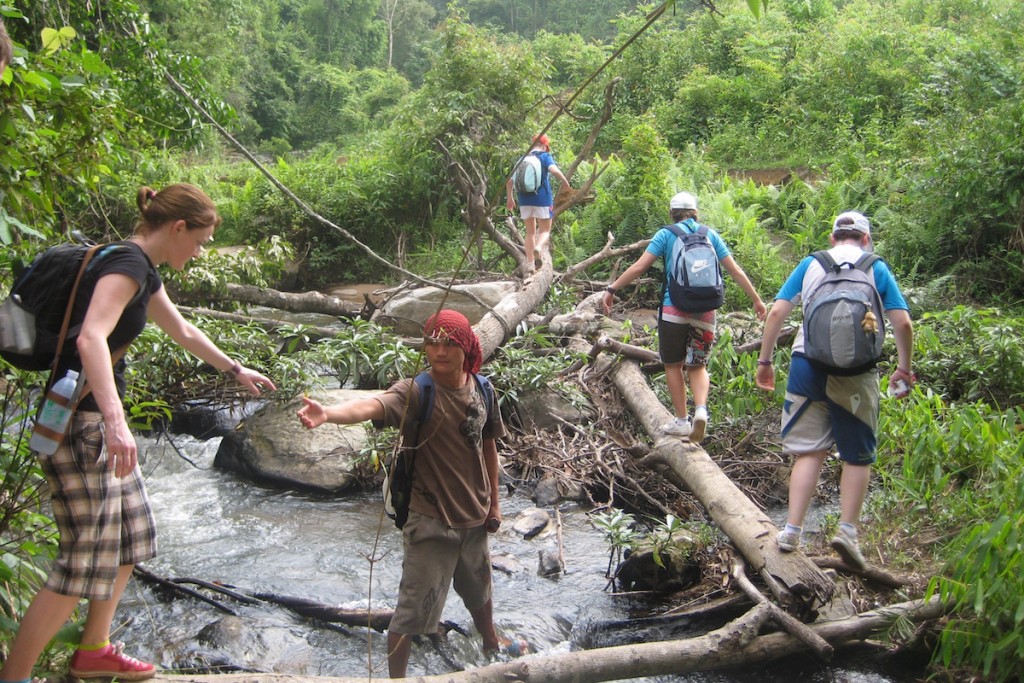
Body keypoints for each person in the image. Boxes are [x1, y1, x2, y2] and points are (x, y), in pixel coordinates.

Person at [0, 184, 277, 683]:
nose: (200, 252)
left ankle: (93, 651)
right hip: (81, 428)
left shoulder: (139, 270)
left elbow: (185, 332)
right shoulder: (127, 265)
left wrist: (235, 369)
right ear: (177, 229)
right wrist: (115, 421)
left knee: (133, 534)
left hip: (90, 423)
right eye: (201, 241)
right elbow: (90, 337)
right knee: (78, 562)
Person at [296, 310, 508, 678]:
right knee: (410, 613)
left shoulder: (483, 389)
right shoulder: (415, 392)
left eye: (449, 343)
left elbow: (489, 447)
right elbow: (372, 405)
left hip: (475, 518)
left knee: (480, 590)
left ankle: (491, 642)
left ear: (466, 346)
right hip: (431, 521)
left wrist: (495, 504)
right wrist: (328, 413)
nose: (439, 351)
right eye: (432, 342)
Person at [755, 211, 914, 570]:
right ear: (866, 239)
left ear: (833, 238)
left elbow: (778, 311)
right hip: (857, 373)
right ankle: (847, 531)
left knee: (810, 452)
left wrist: (765, 362)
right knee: (857, 455)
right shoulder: (876, 266)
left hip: (806, 365)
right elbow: (902, 321)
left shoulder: (812, 263)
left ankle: (791, 532)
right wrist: (903, 368)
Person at [602, 191, 767, 443]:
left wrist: (612, 289)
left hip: (673, 309)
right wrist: (756, 299)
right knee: (698, 365)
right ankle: (701, 410)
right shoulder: (709, 234)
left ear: (672, 212)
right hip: (706, 310)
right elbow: (734, 269)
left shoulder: (666, 234)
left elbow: (639, 267)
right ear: (695, 212)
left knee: (672, 364)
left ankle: (682, 420)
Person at [505, 133, 570, 271]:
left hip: (524, 200)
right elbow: (553, 170)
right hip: (542, 199)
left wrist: (510, 198)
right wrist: (564, 181)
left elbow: (509, 181)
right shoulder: (544, 157)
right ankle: (538, 247)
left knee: (530, 232)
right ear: (545, 146)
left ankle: (530, 264)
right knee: (545, 230)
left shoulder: (522, 159)